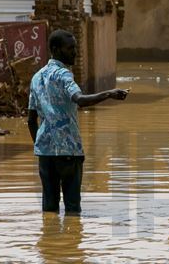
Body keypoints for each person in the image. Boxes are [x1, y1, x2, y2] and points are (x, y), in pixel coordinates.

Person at [27, 30, 129, 214]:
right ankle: (72, 234)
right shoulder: (64, 75)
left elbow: (31, 120)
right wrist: (109, 93)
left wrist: (40, 145)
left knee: (49, 210)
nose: (75, 52)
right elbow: (80, 99)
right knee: (73, 210)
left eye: (75, 48)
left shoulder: (36, 77)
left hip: (45, 154)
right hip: (68, 151)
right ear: (55, 49)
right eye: (70, 48)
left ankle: (50, 233)